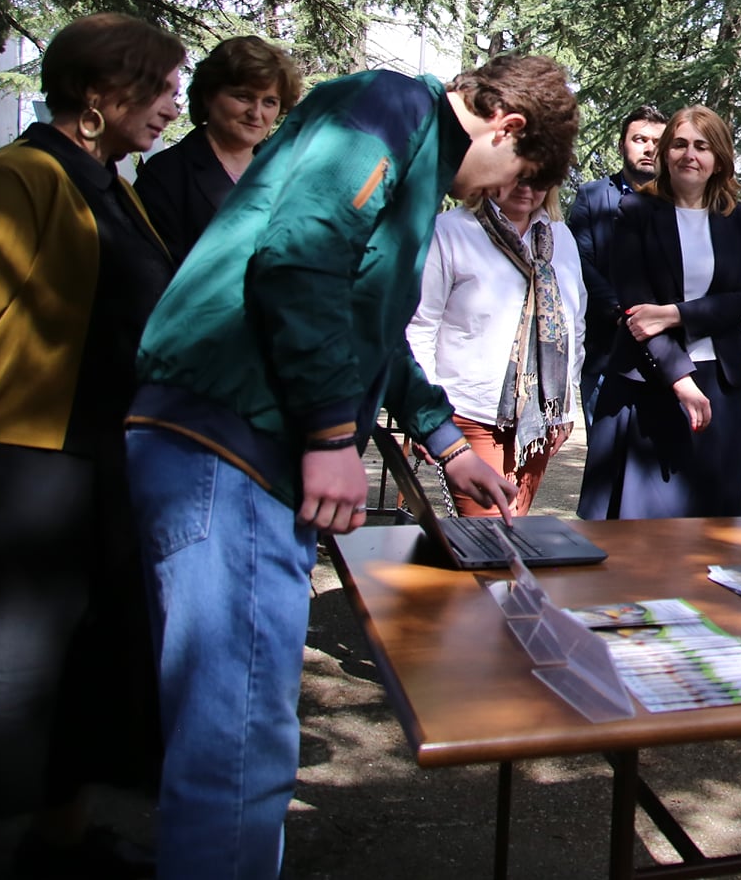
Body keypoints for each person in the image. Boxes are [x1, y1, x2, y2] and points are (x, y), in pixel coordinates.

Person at [124, 54, 576, 879]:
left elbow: (371, 327)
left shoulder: (414, 158)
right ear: (508, 127)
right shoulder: (391, 105)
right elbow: (301, 260)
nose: (497, 192)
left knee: (248, 735)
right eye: (516, 173)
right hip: (228, 443)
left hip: (247, 450)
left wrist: (446, 442)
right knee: (237, 745)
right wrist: (334, 436)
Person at [0, 13, 182, 877]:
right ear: (100, 93)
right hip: (17, 473)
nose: (172, 106)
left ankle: (59, 843)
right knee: (5, 688)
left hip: (94, 467)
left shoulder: (110, 184)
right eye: (160, 88)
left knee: (80, 675)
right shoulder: (17, 178)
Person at [578, 106, 741, 520]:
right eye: (679, 144)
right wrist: (681, 380)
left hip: (721, 386)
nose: (689, 155)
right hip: (649, 381)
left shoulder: (739, 217)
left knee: (715, 528)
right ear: (666, 153)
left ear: (719, 159)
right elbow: (638, 312)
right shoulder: (634, 211)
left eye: (702, 146)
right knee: (642, 531)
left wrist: (675, 314)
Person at [407, 176, 586, 517]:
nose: (526, 187)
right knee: (494, 534)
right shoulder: (451, 231)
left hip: (540, 420)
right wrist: (424, 413)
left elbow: (574, 322)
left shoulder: (560, 237)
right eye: (517, 174)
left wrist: (565, 407)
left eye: (539, 176)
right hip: (470, 411)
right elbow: (421, 326)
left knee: (511, 530)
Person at [133, 35, 303, 263]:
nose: (256, 113)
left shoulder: (290, 171)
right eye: (243, 97)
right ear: (209, 96)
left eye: (269, 102)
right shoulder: (167, 173)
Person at [567, 104, 667, 411]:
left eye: (658, 142)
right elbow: (579, 262)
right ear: (622, 145)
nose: (649, 148)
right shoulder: (592, 196)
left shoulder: (679, 202)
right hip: (606, 347)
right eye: (640, 139)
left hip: (667, 348)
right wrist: (622, 311)